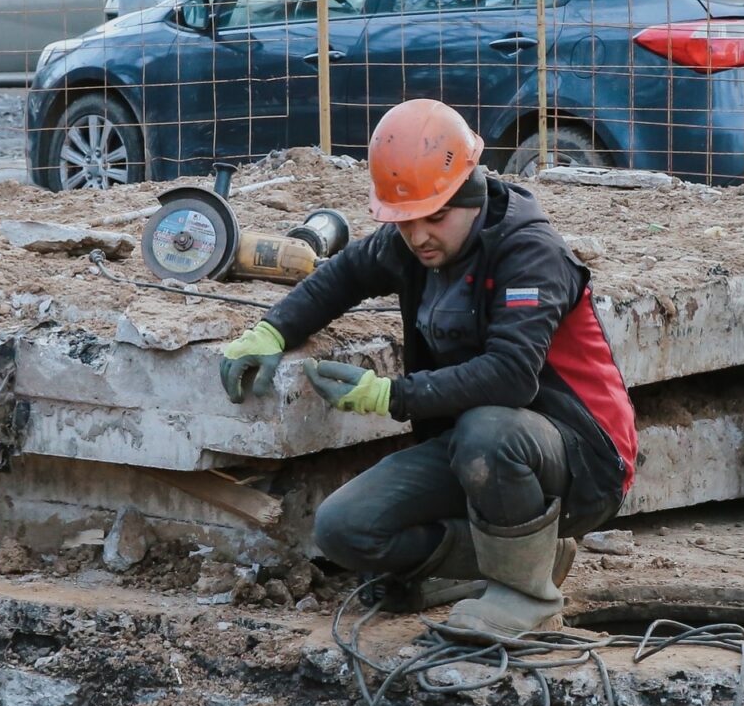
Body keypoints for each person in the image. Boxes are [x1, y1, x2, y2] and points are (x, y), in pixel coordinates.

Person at [217, 99, 638, 640]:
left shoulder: (530, 253)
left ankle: (526, 594)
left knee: (489, 427)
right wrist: (272, 332)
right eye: (404, 221)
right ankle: (512, 564)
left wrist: (388, 396)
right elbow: (343, 276)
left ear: (470, 194)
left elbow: (511, 376)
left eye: (434, 218)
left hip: (583, 460)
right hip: (476, 448)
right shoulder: (417, 242)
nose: (418, 237)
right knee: (345, 530)